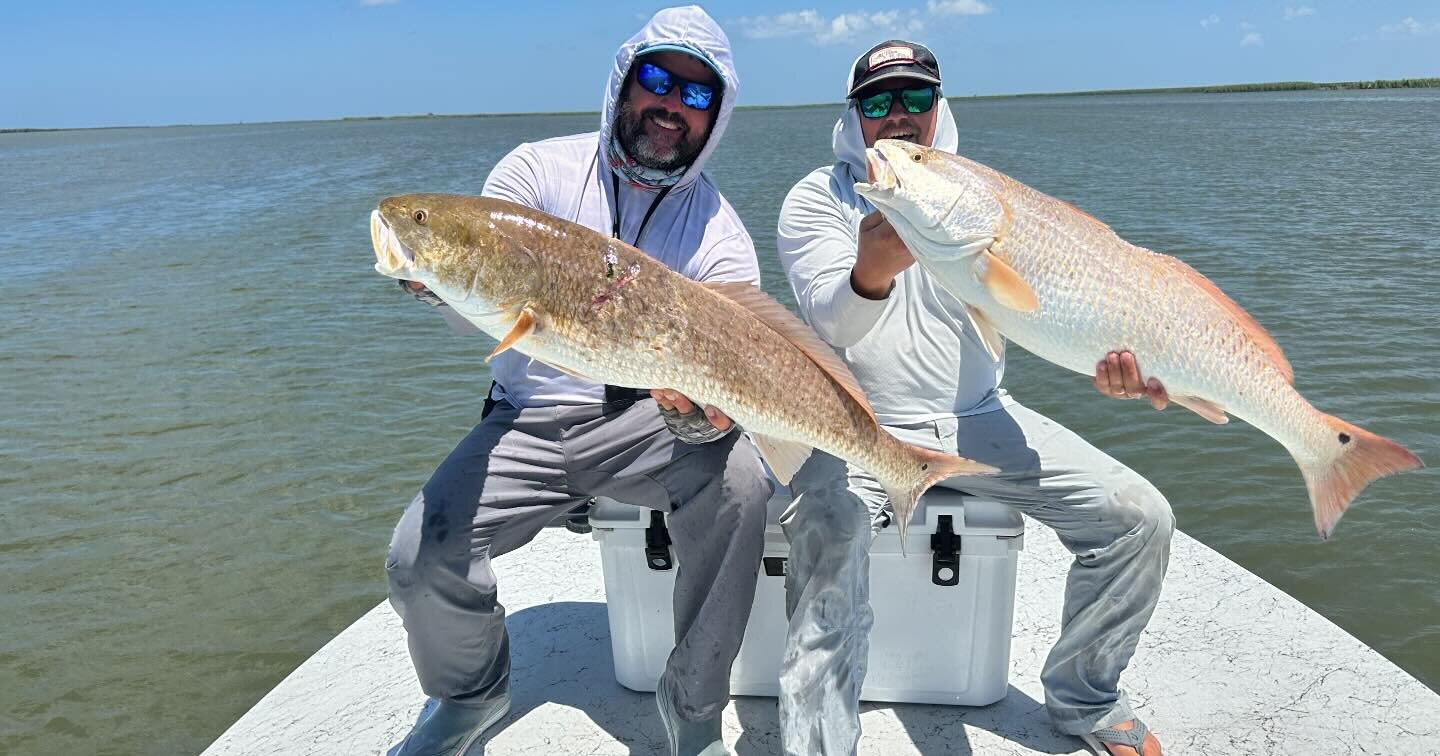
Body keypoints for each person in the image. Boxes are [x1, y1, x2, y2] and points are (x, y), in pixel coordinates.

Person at [384, 7, 769, 756]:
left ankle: (693, 704)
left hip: (649, 426)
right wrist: (437, 280)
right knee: (416, 556)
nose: (672, 105)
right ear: (625, 82)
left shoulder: (720, 235)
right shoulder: (535, 172)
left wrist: (702, 419)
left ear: (715, 117)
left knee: (744, 484)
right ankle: (469, 699)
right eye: (658, 80)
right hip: (525, 414)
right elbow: (479, 313)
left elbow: (722, 395)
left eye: (697, 95)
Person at [774, 40, 1173, 756]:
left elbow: (1055, 310)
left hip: (980, 416)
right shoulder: (816, 201)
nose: (897, 116)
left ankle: (1083, 698)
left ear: (940, 108)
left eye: (916, 99)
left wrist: (1118, 365)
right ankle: (819, 744)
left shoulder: (989, 198)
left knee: (1138, 517)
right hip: (857, 427)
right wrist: (873, 265)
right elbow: (832, 318)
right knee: (825, 538)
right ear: (853, 116)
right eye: (877, 102)